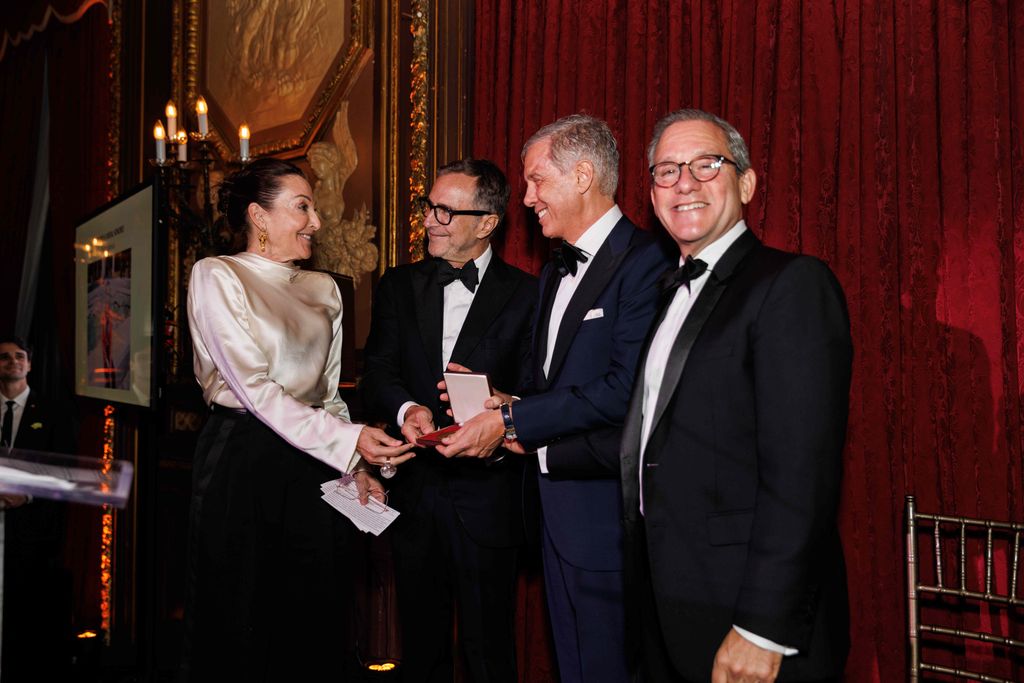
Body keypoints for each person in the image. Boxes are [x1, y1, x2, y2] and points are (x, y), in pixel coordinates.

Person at [619, 109, 852, 682]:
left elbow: (803, 473)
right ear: (651, 196)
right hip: (666, 598)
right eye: (667, 171)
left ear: (746, 184)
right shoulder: (665, 296)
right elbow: (660, 441)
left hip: (749, 613)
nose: (685, 183)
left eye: (706, 164)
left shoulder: (792, 285)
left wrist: (762, 628)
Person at [440, 115, 673, 683]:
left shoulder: (646, 264)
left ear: (584, 176)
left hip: (605, 521)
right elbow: (558, 390)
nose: (527, 198)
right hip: (549, 519)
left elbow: (627, 390)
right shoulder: (551, 272)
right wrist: (502, 401)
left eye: (537, 182)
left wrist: (514, 420)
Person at [180, 158, 414, 681]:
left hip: (313, 461)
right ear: (258, 217)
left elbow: (329, 398)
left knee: (314, 612)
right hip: (242, 455)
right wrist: (349, 441)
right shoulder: (217, 274)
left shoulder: (325, 290)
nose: (317, 221)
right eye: (302, 207)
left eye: (314, 207)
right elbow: (254, 388)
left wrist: (357, 469)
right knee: (240, 613)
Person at [360, 159, 536, 682]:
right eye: (428, 207)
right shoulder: (398, 285)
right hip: (416, 493)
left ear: (486, 222)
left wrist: (503, 412)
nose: (430, 220)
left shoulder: (530, 295)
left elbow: (542, 391)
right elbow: (377, 371)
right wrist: (405, 409)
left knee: (489, 653)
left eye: (445, 210)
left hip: (489, 499)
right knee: (420, 650)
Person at [0, 335, 75, 680]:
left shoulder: (53, 413)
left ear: (29, 364)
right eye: (4, 357)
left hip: (31, 533)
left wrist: (27, 495)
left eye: (19, 356)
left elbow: (63, 472)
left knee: (25, 614)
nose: (12, 362)